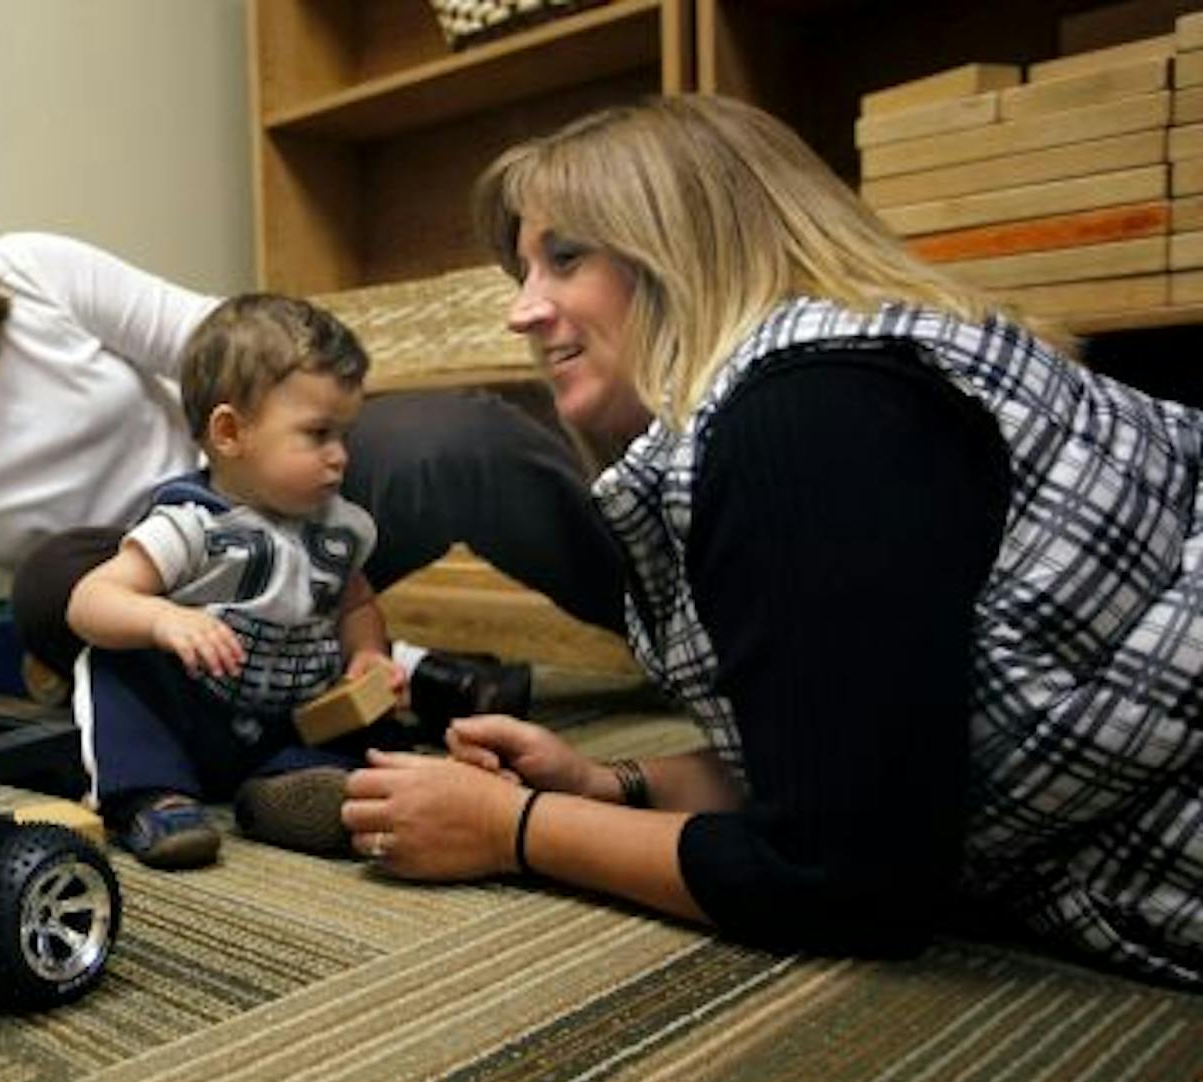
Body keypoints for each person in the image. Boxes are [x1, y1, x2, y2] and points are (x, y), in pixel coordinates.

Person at [341, 94, 1200, 989]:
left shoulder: (803, 422)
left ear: (686, 245)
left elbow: (850, 880)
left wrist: (511, 830)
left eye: (565, 258)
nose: (522, 312)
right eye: (524, 270)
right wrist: (614, 784)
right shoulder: (848, 373)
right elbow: (869, 750)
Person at [0, 165, 619, 698]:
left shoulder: (28, 271)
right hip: (159, 621)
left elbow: (225, 342)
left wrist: (295, 434)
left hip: (268, 511)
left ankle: (672, 608)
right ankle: (390, 675)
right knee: (55, 590)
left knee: (459, 437)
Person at [65, 294, 410, 867]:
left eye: (345, 434)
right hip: (192, 711)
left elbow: (356, 603)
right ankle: (152, 796)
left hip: (286, 712)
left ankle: (284, 795)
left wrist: (369, 653)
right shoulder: (192, 523)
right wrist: (164, 619)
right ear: (229, 433)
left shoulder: (338, 527)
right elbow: (89, 600)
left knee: (360, 733)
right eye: (318, 433)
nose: (340, 457)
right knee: (115, 663)